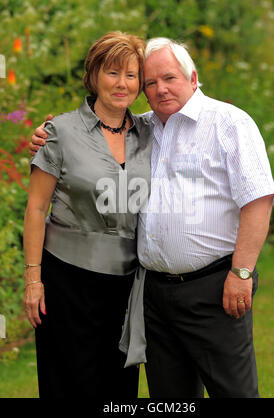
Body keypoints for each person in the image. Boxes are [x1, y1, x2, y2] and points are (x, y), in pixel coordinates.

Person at [31, 37, 274, 398]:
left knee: (233, 391)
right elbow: (87, 136)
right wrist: (44, 137)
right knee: (169, 397)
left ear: (193, 78)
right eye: (150, 82)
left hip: (214, 288)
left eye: (169, 78)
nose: (159, 89)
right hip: (152, 296)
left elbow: (257, 200)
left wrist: (241, 273)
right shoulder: (144, 128)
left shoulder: (229, 123)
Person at [23, 31, 153, 399]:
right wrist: (34, 280)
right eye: (112, 73)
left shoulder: (151, 132)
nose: (122, 84)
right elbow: (35, 209)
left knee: (119, 388)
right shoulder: (59, 132)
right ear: (93, 74)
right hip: (66, 281)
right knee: (68, 381)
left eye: (131, 75)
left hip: (128, 286)